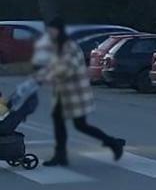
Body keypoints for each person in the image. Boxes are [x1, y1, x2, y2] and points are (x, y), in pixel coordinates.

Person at [30, 19, 124, 167]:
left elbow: (68, 69)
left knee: (80, 125)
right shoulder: (57, 47)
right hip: (63, 91)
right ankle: (60, 155)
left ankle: (113, 142)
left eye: (52, 31)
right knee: (59, 122)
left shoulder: (69, 47)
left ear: (59, 31)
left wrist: (47, 76)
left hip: (75, 92)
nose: (49, 34)